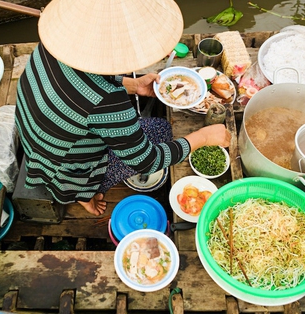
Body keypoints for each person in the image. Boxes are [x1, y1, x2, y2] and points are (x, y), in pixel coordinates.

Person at [15, 0, 231, 216]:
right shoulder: (108, 102)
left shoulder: (55, 45)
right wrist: (203, 137)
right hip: (64, 170)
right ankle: (83, 196)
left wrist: (132, 85)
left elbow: (85, 74)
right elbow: (147, 161)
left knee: (154, 129)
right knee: (162, 131)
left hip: (34, 136)